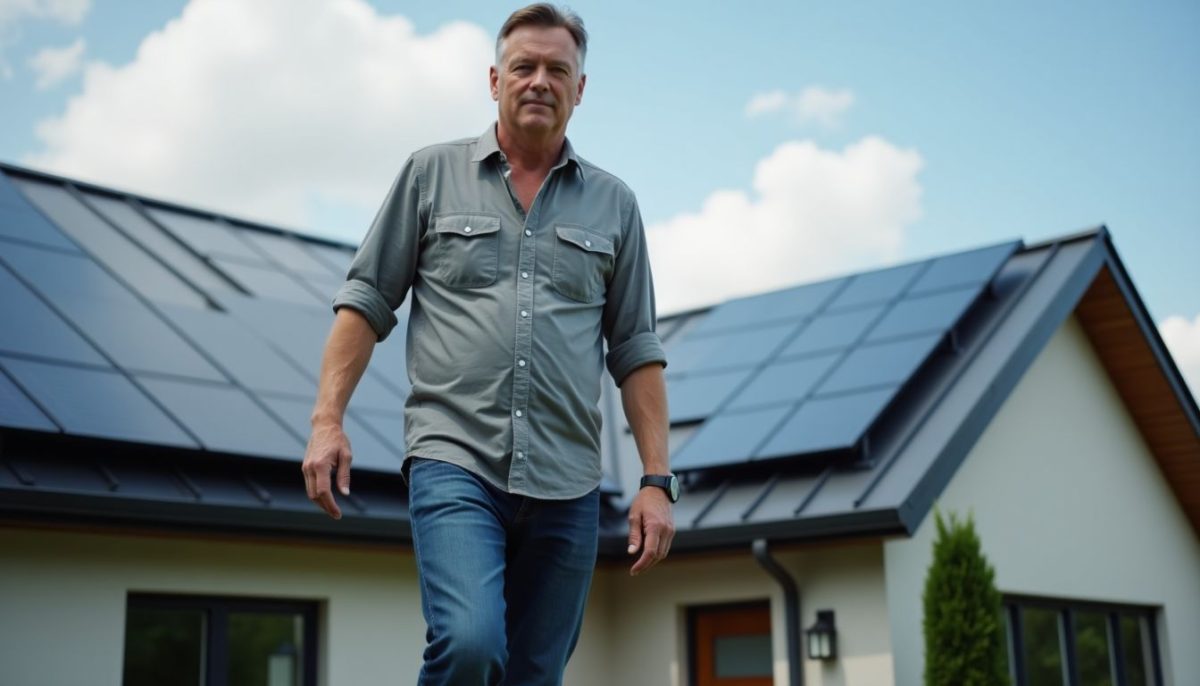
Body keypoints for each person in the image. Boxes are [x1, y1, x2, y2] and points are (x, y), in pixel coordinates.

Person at [300, 4, 676, 684]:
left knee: (536, 672)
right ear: (495, 79)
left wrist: (656, 481)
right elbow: (365, 302)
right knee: (471, 643)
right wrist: (327, 421)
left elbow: (636, 348)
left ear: (580, 88)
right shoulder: (429, 175)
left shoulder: (615, 206)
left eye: (557, 69)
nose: (540, 81)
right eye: (524, 67)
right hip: (455, 459)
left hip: (567, 481)